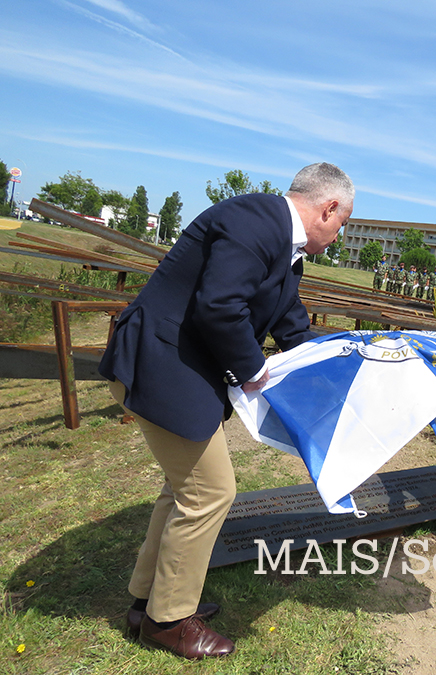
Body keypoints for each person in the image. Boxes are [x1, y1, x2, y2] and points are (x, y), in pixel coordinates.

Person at [99, 162, 354, 659]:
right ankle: (169, 622)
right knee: (210, 493)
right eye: (342, 224)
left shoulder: (283, 245)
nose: (338, 236)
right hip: (160, 366)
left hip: (177, 369)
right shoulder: (258, 221)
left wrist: (338, 365)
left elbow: (289, 320)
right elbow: (219, 307)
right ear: (328, 209)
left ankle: (149, 601)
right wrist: (252, 368)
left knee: (182, 492)